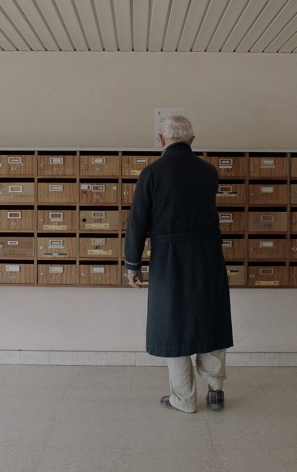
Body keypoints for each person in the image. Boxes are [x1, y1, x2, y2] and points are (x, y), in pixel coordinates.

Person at [124, 115, 234, 413]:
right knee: (210, 318)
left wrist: (133, 264)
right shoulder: (209, 172)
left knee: (174, 323)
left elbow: (137, 222)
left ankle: (183, 399)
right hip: (207, 256)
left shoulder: (152, 173)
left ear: (161, 140)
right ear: (192, 140)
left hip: (170, 258)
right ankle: (215, 389)